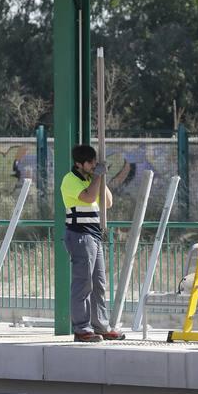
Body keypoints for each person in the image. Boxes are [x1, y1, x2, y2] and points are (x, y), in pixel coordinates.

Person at [61, 144, 125, 342]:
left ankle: (101, 326)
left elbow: (108, 202)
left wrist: (100, 178)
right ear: (79, 164)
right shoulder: (70, 180)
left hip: (93, 236)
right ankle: (81, 329)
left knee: (98, 283)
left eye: (94, 162)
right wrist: (97, 177)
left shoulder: (92, 179)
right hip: (79, 235)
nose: (93, 165)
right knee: (83, 283)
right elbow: (89, 198)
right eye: (90, 163)